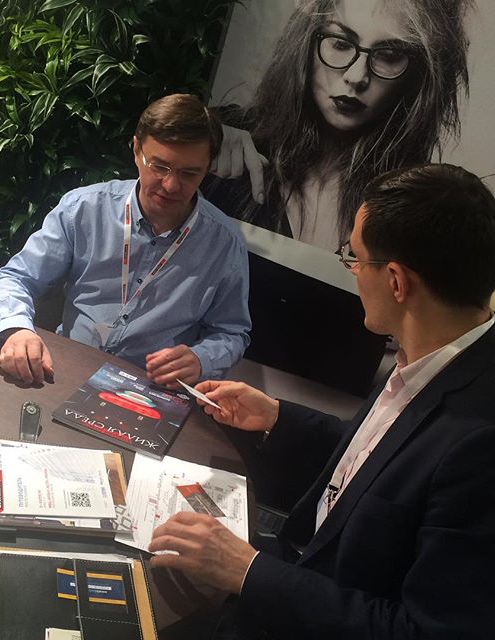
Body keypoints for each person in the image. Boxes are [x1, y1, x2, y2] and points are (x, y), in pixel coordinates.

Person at [149, 163, 495, 638]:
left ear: (396, 281)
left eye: (356, 258)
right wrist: (276, 417)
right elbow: (385, 466)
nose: (352, 272)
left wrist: (248, 572)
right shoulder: (433, 355)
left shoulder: (480, 442)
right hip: (293, 569)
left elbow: (426, 631)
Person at [0, 94, 251, 386]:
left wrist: (201, 359)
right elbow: (16, 279)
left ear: (207, 167)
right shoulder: (84, 209)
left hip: (150, 387)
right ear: (136, 150)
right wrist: (17, 330)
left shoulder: (225, 244)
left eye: (189, 173)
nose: (171, 185)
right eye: (159, 166)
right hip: (67, 369)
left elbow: (231, 332)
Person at [205, 0, 471, 252]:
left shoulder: (414, 210)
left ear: (418, 75)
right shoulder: (226, 138)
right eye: (341, 43)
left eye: (388, 56)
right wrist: (194, 138)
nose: (356, 76)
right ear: (306, 42)